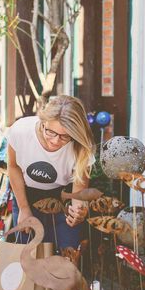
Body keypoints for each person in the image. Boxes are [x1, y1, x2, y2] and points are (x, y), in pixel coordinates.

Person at [7, 95, 95, 250]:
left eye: (65, 136)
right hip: (27, 196)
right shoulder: (21, 131)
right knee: (28, 257)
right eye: (50, 132)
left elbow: (78, 192)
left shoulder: (81, 146)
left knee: (67, 256)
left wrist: (78, 209)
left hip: (64, 199)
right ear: (42, 122)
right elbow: (13, 167)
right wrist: (24, 208)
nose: (55, 141)